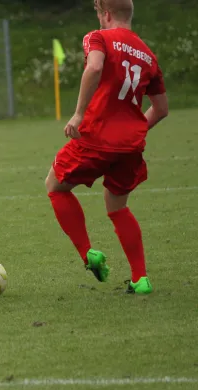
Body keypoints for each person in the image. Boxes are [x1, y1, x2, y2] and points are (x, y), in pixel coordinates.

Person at [45, 0, 168, 294]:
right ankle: (140, 278)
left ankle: (89, 253)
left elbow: (95, 66)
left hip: (96, 138)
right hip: (130, 147)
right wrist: (135, 130)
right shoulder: (149, 56)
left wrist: (78, 113)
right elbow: (161, 109)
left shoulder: (98, 37)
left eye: (99, 14)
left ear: (106, 14)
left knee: (55, 185)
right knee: (118, 207)